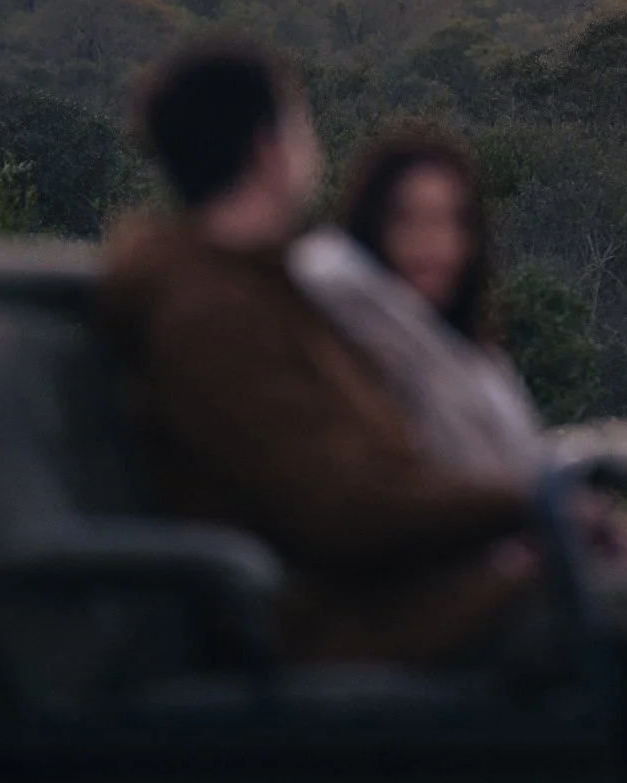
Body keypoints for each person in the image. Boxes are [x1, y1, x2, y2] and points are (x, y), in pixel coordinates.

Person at [100, 42, 538, 666]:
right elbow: (342, 512)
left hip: (393, 595)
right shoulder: (214, 317)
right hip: (338, 625)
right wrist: (529, 505)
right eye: (303, 125)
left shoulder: (265, 289)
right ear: (268, 149)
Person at [288, 129, 548, 490]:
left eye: (447, 221)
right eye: (406, 219)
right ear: (372, 228)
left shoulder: (475, 358)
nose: (429, 244)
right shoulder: (355, 344)